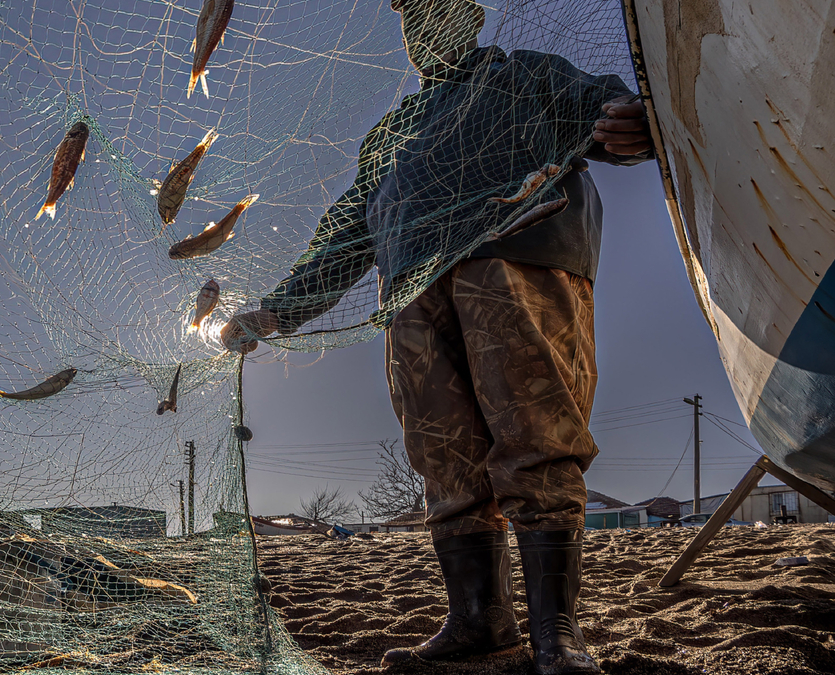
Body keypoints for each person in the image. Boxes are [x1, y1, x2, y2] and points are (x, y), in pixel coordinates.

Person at [222, 1, 653, 672]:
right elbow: (348, 231)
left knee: (536, 439)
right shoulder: (391, 133)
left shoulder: (526, 77)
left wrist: (632, 127)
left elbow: (609, 114)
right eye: (411, 18)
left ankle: (556, 634)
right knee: (444, 458)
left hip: (519, 257)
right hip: (413, 297)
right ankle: (479, 619)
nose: (423, 28)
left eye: (436, 11)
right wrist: (278, 309)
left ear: (470, 19)